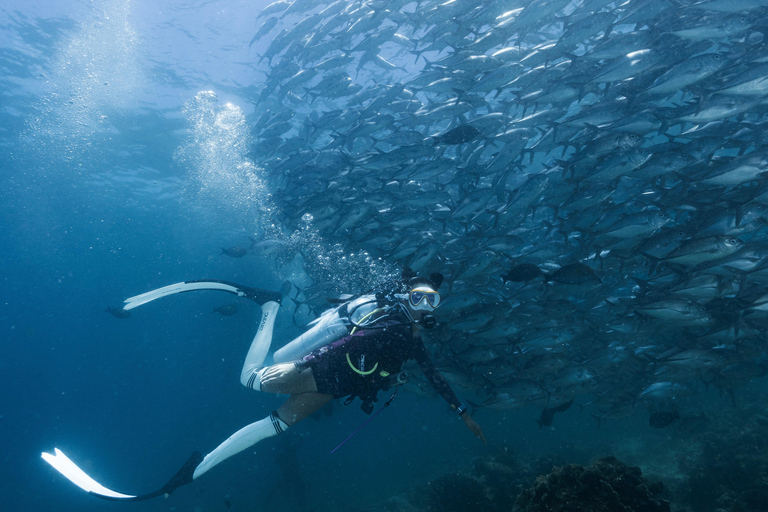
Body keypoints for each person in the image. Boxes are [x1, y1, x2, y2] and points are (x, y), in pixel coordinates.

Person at [191, 268, 486, 479]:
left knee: (275, 426)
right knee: (250, 379)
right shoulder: (392, 324)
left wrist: (463, 413)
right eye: (418, 298)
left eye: (432, 301)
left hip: (335, 388)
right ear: (407, 297)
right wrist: (303, 362)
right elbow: (350, 342)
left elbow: (434, 375)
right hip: (320, 370)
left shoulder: (412, 338)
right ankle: (270, 306)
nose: (424, 307)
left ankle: (201, 467)